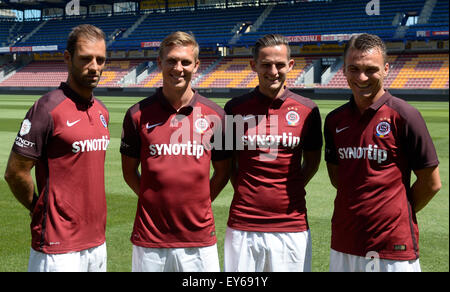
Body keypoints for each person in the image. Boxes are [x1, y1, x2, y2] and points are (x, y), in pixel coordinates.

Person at [324, 33, 441, 272]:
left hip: (393, 246)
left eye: (371, 69)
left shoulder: (405, 116)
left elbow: (431, 183)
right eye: (353, 69)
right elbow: (339, 178)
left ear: (386, 69)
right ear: (344, 70)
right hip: (345, 241)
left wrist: (394, 211)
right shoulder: (335, 120)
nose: (362, 77)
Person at [120, 31, 230, 272]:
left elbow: (223, 172)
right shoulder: (136, 114)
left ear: (197, 65)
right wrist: (154, 201)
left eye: (185, 62)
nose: (178, 68)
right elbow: (129, 172)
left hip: (199, 240)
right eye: (171, 60)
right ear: (160, 63)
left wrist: (199, 203)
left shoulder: (217, 115)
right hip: (150, 240)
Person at [4, 24, 109, 272]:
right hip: (57, 248)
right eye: (85, 58)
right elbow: (15, 172)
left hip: (97, 242)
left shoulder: (102, 111)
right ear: (67, 58)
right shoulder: (46, 108)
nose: (94, 66)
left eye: (100, 59)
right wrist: (39, 209)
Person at [223, 34, 323, 272]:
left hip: (292, 225)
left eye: (279, 64)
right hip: (243, 225)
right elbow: (228, 166)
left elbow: (311, 163)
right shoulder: (234, 108)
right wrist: (250, 190)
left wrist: (292, 186)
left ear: (290, 65)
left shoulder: (307, 110)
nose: (273, 71)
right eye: (266, 64)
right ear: (253, 65)